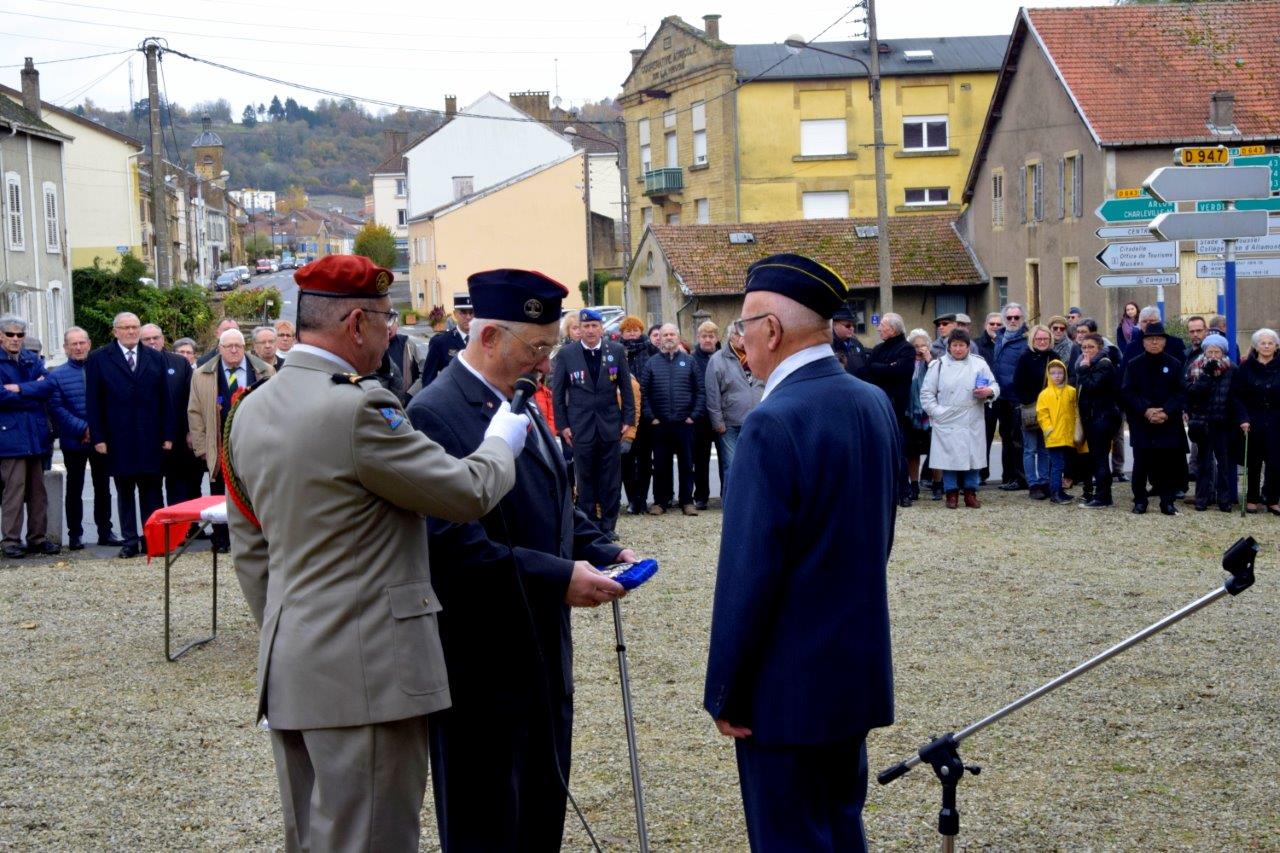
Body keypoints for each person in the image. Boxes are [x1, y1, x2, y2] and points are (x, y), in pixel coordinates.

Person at [226, 254, 525, 853]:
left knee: (314, 839)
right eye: (387, 319)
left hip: (294, 669)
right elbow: (465, 493)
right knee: (374, 840)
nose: (393, 332)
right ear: (356, 323)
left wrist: (298, 634)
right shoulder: (360, 408)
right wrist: (500, 445)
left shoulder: (250, 409)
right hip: (368, 672)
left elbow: (251, 549)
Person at [406, 268, 630, 852]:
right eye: (537, 347)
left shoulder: (522, 400)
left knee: (539, 812)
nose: (546, 362)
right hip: (482, 663)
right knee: (487, 820)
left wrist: (603, 548)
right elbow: (452, 548)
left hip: (542, 654)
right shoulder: (436, 413)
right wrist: (560, 578)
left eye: (550, 347)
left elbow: (553, 500)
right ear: (488, 339)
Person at [704, 253, 898, 852]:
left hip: (784, 689)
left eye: (742, 327)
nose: (740, 343)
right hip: (853, 672)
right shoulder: (871, 402)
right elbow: (879, 537)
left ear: (772, 330)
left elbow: (749, 574)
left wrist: (725, 689)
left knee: (790, 837)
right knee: (842, 827)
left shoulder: (771, 423)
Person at [85, 311, 173, 558]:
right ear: (115, 331)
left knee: (152, 492)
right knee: (125, 493)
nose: (132, 331)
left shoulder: (155, 358)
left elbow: (165, 400)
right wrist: (99, 437)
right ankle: (130, 541)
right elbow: (93, 402)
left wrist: (168, 434)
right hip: (117, 439)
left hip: (150, 438)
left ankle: (152, 540)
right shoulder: (99, 359)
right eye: (126, 327)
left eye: (135, 327)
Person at [550, 307, 633, 539]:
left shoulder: (615, 351)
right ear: (580, 329)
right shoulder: (567, 354)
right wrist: (562, 425)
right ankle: (590, 525)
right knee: (585, 478)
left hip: (610, 424)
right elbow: (558, 393)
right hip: (580, 426)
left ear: (601, 328)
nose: (589, 330)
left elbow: (626, 387)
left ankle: (609, 525)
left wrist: (628, 419)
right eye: (585, 326)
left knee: (611, 477)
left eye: (594, 326)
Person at [190, 328, 275, 553]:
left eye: (238, 345)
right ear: (220, 349)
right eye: (229, 346)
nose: (234, 350)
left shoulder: (265, 372)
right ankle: (221, 541)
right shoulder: (202, 374)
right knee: (219, 493)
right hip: (218, 445)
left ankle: (255, 540)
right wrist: (201, 447)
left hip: (253, 445)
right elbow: (195, 412)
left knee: (253, 491)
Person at [48, 327, 120, 550]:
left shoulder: (103, 368)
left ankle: (105, 531)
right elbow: (57, 408)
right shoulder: (56, 375)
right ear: (66, 348)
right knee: (75, 488)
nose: (78, 347)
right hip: (74, 440)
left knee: (103, 487)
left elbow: (112, 401)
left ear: (89, 344)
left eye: (82, 343)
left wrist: (98, 430)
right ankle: (75, 534)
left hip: (101, 440)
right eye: (73, 344)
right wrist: (84, 429)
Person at [919, 329, 997, 508]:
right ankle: (951, 493)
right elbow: (926, 393)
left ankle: (970, 492)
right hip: (947, 418)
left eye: (962, 345)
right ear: (949, 347)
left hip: (972, 417)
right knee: (949, 459)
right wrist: (937, 412)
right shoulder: (938, 365)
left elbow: (994, 385)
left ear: (968, 347)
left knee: (972, 458)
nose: (958, 349)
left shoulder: (979, 364)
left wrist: (989, 392)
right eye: (955, 345)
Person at [0, 315, 57, 558]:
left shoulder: (30, 358)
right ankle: (10, 540)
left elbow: (49, 386)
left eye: (20, 335)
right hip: (10, 438)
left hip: (35, 435)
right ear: (1, 336)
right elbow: (1, 397)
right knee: (13, 491)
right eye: (10, 334)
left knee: (38, 492)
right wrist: (32, 389)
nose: (15, 339)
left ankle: (37, 538)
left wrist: (20, 389)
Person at [1121, 322, 1187, 515]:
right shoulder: (1134, 365)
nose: (1154, 342)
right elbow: (1127, 391)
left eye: (1158, 339)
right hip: (1143, 422)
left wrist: (1166, 410)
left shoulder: (1174, 364)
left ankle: (1167, 502)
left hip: (1168, 422)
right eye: (1150, 339)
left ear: (1165, 342)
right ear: (1144, 342)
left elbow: (1181, 391)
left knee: (1167, 463)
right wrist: (1146, 410)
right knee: (1141, 463)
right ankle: (1140, 500)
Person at [642, 322, 705, 515]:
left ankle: (687, 501)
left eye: (672, 334)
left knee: (687, 464)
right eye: (665, 335)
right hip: (660, 424)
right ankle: (661, 502)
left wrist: (693, 416)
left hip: (684, 423)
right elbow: (644, 393)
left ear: (678, 337)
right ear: (659, 338)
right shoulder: (651, 363)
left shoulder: (689, 361)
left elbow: (700, 391)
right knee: (660, 465)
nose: (669, 337)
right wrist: (651, 417)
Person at [140, 323, 203, 506]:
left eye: (156, 338)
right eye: (147, 339)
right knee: (151, 490)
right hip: (148, 439)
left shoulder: (179, 362)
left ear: (163, 339)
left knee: (178, 488)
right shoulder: (134, 365)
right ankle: (156, 532)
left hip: (178, 438)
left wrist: (191, 432)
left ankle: (179, 533)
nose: (152, 342)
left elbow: (191, 401)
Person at [856, 313, 915, 506]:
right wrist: (884, 367)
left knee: (898, 448)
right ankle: (882, 493)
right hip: (878, 403)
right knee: (876, 449)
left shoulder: (906, 348)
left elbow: (900, 371)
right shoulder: (879, 348)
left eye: (882, 326)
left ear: (893, 330)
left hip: (897, 406)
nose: (879, 329)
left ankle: (904, 492)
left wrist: (878, 368)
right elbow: (867, 371)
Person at [705, 324, 764, 489]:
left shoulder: (759, 355)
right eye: (740, 335)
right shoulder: (717, 359)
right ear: (731, 336)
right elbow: (712, 393)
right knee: (732, 467)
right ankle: (732, 506)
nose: (745, 339)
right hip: (730, 425)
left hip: (757, 421)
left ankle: (753, 505)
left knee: (757, 466)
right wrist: (718, 423)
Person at [1186, 333, 1237, 512]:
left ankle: (1224, 499)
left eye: (1217, 352)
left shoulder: (1231, 368)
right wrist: (1206, 375)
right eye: (1210, 351)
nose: (1213, 355)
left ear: (1222, 352)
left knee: (1223, 463)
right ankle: (1202, 498)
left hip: (1223, 421)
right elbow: (1192, 392)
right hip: (1203, 421)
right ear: (1205, 352)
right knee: (1204, 463)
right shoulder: (1196, 367)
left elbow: (1235, 396)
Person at [1231, 328, 1280, 514]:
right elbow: (1237, 396)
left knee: (1276, 462)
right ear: (1256, 346)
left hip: (1276, 420)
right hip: (1253, 420)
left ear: (1276, 346)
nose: (1266, 346)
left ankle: (1273, 499)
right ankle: (1252, 498)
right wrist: (1243, 418)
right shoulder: (1246, 367)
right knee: (1253, 461)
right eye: (1263, 343)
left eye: (1270, 343)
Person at [1075, 333, 1121, 509]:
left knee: (1100, 458)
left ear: (1099, 348)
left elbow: (1093, 386)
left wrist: (1084, 369)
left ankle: (1103, 496)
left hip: (1102, 418)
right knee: (1095, 457)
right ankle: (1100, 493)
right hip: (1092, 417)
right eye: (1084, 347)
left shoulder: (1104, 364)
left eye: (1091, 347)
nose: (1087, 351)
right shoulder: (1091, 364)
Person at [1013, 325, 1055, 499]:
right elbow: (1017, 383)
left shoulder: (1054, 357)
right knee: (1030, 448)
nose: (1042, 342)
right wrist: (1031, 401)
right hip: (1031, 407)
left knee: (1045, 448)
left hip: (1049, 409)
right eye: (1039, 339)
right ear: (1033, 340)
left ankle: (1045, 481)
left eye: (1045, 339)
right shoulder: (1025, 357)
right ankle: (1033, 483)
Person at [618, 316, 654, 514]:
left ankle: (642, 498)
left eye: (635, 330)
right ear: (622, 333)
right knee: (626, 460)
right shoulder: (616, 351)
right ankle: (632, 499)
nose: (631, 334)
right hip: (624, 415)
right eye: (627, 330)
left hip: (646, 414)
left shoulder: (650, 350)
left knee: (645, 460)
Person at [992, 303, 1029, 490]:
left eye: (1017, 317)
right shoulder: (999, 338)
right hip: (1001, 396)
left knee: (1017, 439)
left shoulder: (1025, 340)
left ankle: (1020, 478)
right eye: (1009, 318)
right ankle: (1008, 476)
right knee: (1006, 437)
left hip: (1016, 397)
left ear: (1022, 319)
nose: (1013, 321)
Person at [1036, 358, 1082, 504]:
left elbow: (1076, 411)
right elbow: (1042, 414)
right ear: (1048, 375)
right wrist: (1048, 429)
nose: (1057, 376)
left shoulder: (1071, 391)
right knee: (1056, 465)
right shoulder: (1045, 394)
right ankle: (1055, 493)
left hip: (1068, 435)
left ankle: (1060, 491)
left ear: (1065, 374)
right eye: (1053, 373)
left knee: (1063, 465)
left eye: (1060, 373)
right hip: (1054, 436)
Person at [691, 320, 720, 509]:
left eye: (711, 336)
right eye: (704, 336)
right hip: (700, 418)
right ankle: (701, 497)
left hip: (720, 417)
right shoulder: (692, 359)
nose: (707, 340)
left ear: (716, 338)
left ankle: (726, 495)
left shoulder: (723, 357)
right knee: (700, 460)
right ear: (698, 338)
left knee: (726, 460)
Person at [906, 329, 936, 502]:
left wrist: (928, 358)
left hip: (929, 412)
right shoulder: (908, 363)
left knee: (935, 450)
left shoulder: (933, 362)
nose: (919, 349)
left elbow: (939, 377)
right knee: (913, 452)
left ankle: (937, 484)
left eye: (922, 345)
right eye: (915, 346)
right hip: (911, 412)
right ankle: (914, 485)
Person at [420, 292, 473, 387]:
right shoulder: (440, 342)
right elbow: (428, 380)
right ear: (455, 314)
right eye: (463, 313)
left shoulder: (484, 342)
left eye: (472, 312)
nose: (468, 317)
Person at [974, 313, 1002, 481]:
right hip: (985, 399)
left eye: (999, 324)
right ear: (986, 325)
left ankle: (1011, 476)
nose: (995, 326)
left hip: (1004, 396)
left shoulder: (1006, 343)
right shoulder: (977, 345)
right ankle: (982, 473)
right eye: (992, 323)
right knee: (984, 436)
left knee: (1010, 438)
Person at [386, 314, 425, 396]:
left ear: (397, 325)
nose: (388, 327)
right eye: (385, 322)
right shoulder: (371, 346)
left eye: (392, 323)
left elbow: (425, 372)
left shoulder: (407, 344)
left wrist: (410, 395)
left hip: (405, 403)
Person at [830, 303, 869, 375]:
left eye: (853, 325)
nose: (852, 328)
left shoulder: (857, 344)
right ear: (834, 325)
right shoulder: (828, 347)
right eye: (848, 325)